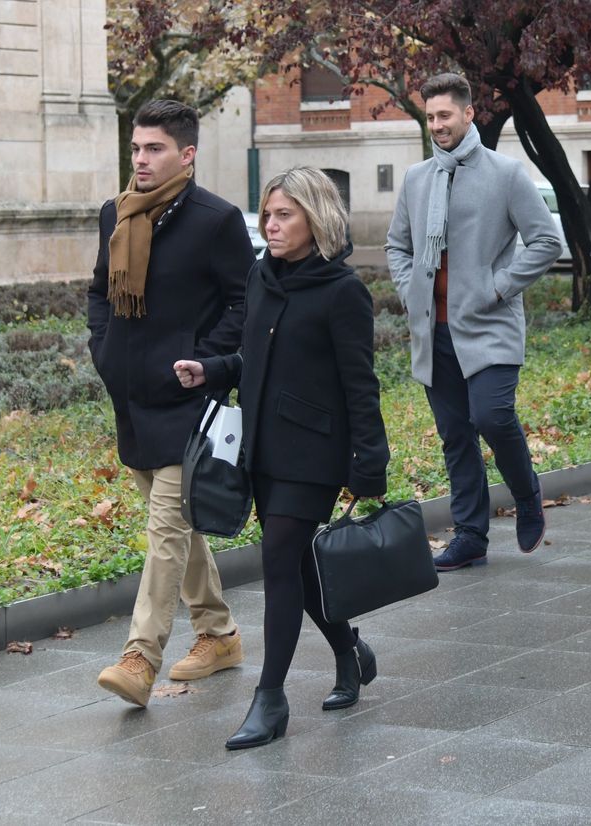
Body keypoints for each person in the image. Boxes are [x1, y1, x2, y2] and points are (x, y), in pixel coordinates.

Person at [174, 166, 389, 750]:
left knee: (279, 561)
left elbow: (360, 385)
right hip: (261, 449)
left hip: (313, 453)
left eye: (284, 214)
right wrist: (211, 370)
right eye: (268, 213)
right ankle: (350, 652)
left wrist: (369, 462)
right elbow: (250, 357)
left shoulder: (344, 292)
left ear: (315, 218)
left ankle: (270, 699)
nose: (271, 224)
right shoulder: (262, 277)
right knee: (298, 567)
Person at [87, 100, 253, 706]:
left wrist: (206, 363)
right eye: (135, 148)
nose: (140, 159)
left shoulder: (217, 220)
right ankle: (219, 634)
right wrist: (104, 350)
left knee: (165, 530)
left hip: (188, 400)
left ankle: (140, 655)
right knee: (181, 527)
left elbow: (244, 305)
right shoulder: (116, 213)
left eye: (153, 149)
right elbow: (99, 291)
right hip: (132, 399)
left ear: (186, 155)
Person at [386, 72, 563, 572]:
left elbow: (546, 241)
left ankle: (527, 494)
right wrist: (409, 289)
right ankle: (471, 535)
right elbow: (397, 246)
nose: (437, 124)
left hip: (488, 326)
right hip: (433, 330)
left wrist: (498, 286)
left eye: (446, 115)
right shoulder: (417, 179)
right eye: (431, 116)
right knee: (455, 434)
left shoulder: (505, 174)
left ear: (469, 114)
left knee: (490, 417)